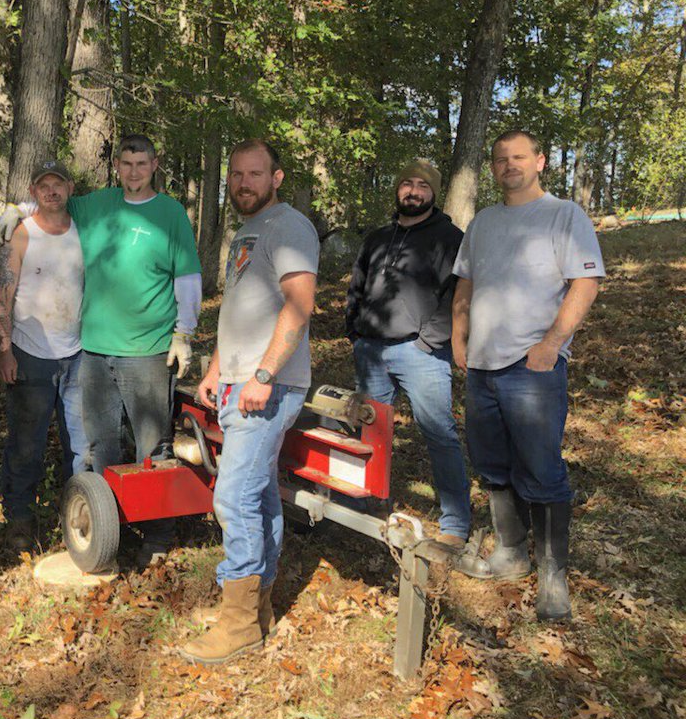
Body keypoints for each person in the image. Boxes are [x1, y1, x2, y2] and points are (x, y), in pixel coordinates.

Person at [0, 136, 202, 567]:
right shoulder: (98, 205)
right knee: (101, 446)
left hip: (147, 349)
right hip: (93, 352)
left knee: (152, 445)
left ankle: (158, 535)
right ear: (116, 165)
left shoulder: (170, 214)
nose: (133, 171)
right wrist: (17, 208)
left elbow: (187, 278)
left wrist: (184, 332)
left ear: (154, 164)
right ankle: (112, 531)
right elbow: (51, 203)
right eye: (126, 163)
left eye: (141, 163)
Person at [451, 130, 604, 622]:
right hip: (482, 364)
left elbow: (586, 280)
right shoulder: (484, 222)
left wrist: (551, 345)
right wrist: (459, 334)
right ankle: (512, 552)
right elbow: (467, 280)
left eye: (518, 157)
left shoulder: (564, 215)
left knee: (541, 468)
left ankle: (554, 575)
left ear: (539, 161)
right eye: (500, 159)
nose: (509, 165)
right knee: (493, 462)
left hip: (532, 366)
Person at [179, 139, 318, 665]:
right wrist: (217, 369)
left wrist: (263, 373)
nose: (243, 182)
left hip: (269, 384)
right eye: (236, 174)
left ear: (276, 178)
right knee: (256, 497)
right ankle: (255, 609)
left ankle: (236, 623)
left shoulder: (289, 226)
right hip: (240, 381)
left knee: (232, 497)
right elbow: (239, 308)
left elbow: (300, 303)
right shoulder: (248, 229)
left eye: (255, 174)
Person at [346, 159, 471, 547]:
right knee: (370, 431)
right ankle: (371, 507)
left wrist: (430, 338)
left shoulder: (450, 237)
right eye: (406, 184)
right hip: (371, 351)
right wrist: (355, 328)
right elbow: (358, 283)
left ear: (433, 193)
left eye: (422, 185)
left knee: (439, 434)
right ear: (397, 189)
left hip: (421, 354)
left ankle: (455, 525)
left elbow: (459, 293)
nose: (413, 191)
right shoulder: (378, 236)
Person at [0, 160, 89, 552]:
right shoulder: (20, 234)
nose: (51, 192)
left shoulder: (85, 228)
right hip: (30, 352)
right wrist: (4, 349)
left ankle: (79, 518)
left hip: (80, 353)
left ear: (69, 188)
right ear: (33, 191)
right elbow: (2, 294)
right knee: (26, 443)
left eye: (58, 185)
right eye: (43, 186)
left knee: (82, 445)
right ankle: (19, 519)